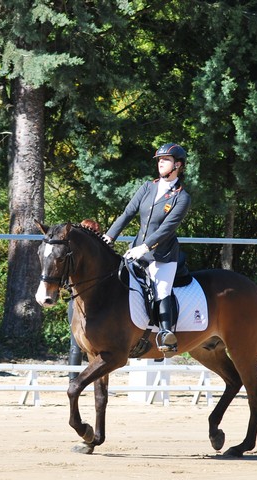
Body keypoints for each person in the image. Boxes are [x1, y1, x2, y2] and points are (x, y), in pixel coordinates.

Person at [103, 143, 192, 352]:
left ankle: (165, 335)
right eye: (159, 160)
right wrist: (109, 236)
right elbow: (127, 213)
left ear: (177, 165)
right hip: (135, 251)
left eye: (166, 160)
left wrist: (145, 247)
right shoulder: (148, 187)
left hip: (162, 255)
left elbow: (167, 229)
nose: (160, 162)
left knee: (161, 290)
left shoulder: (182, 197)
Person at [68, 218, 100, 380]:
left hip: (97, 301)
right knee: (76, 344)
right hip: (78, 299)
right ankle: (73, 378)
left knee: (95, 346)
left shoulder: (102, 249)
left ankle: (94, 377)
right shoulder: (75, 251)